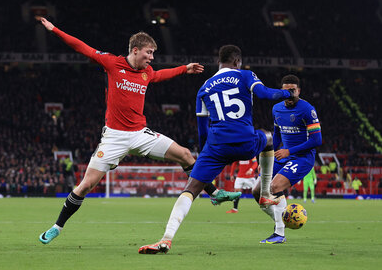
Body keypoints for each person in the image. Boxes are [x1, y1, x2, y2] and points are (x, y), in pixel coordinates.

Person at [36, 17, 240, 245]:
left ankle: (214, 194)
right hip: (114, 137)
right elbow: (81, 47)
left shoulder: (147, 72)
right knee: (85, 186)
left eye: (153, 54)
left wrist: (185, 69)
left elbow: (161, 74)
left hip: (140, 134)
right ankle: (57, 227)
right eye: (149, 53)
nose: (151, 58)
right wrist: (54, 29)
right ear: (135, 50)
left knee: (184, 154)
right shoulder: (112, 63)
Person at [138, 45, 293, 254]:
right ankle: (265, 192)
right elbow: (265, 94)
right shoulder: (245, 75)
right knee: (268, 139)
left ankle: (166, 238)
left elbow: (202, 128)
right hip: (245, 142)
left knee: (190, 189)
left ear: (219, 62)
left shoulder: (205, 86)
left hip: (216, 146)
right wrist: (287, 93)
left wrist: (205, 156)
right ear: (237, 61)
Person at [252, 74, 322, 244]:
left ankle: (279, 232)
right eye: (286, 91)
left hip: (302, 158)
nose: (290, 94)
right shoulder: (276, 109)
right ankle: (281, 220)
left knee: (275, 186)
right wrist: (267, 160)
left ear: (299, 90)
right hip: (282, 155)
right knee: (257, 191)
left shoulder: (307, 109)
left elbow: (316, 140)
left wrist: (289, 151)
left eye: (293, 91)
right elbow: (276, 135)